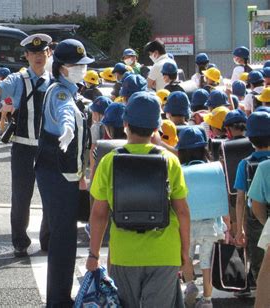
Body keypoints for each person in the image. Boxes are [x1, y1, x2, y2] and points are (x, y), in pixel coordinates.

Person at [87, 91, 191, 307]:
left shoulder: (109, 161)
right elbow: (182, 211)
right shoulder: (170, 161)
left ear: (125, 123)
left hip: (125, 254)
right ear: (156, 128)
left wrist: (94, 255)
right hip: (165, 253)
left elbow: (99, 214)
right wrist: (185, 254)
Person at [34, 38, 93, 307]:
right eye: (76, 65)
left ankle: (60, 297)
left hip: (64, 173)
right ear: (62, 67)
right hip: (56, 174)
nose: (81, 69)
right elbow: (65, 112)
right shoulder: (60, 92)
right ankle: (58, 301)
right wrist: (68, 127)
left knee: (65, 236)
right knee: (63, 238)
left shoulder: (71, 90)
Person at [0, 33, 52, 257]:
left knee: (51, 195)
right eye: (34, 53)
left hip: (48, 148)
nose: (38, 57)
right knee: (21, 196)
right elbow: (0, 87)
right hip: (23, 146)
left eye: (42, 52)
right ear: (26, 56)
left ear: (49, 53)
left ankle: (48, 239)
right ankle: (20, 241)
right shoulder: (18, 79)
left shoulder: (56, 81)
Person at [177, 126, 229, 307]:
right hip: (210, 224)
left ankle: (190, 284)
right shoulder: (215, 169)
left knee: (186, 256)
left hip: (186, 224)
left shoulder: (179, 170)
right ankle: (207, 300)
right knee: (207, 263)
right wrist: (228, 226)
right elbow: (222, 199)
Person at [234, 109, 270, 297]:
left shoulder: (244, 164)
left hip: (255, 220)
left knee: (259, 260)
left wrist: (239, 228)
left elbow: (240, 199)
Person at [0, 67, 13, 134]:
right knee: (12, 118)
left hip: (6, 103)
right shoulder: (11, 81)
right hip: (13, 102)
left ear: (1, 76)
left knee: (2, 118)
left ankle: (1, 131)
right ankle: (13, 132)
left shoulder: (1, 83)